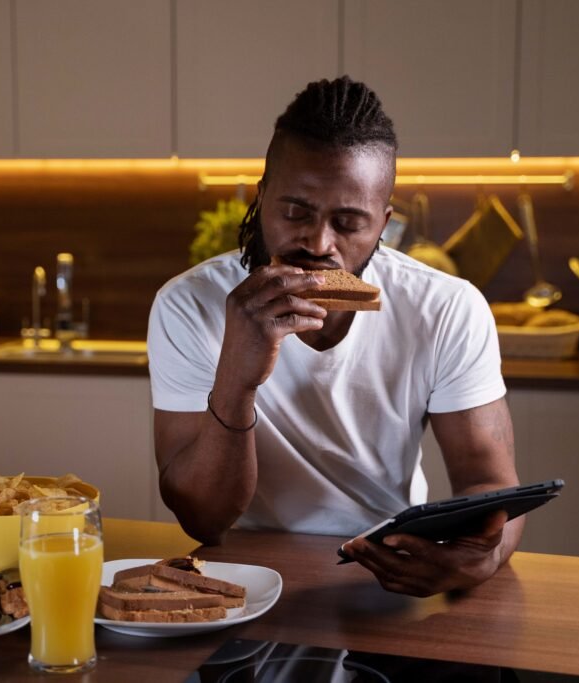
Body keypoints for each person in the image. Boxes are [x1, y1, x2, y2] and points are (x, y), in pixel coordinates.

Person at [147, 76, 522, 597]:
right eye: (296, 212)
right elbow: (203, 522)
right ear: (262, 197)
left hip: (389, 570)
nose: (318, 242)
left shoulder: (446, 308)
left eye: (348, 223)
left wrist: (483, 557)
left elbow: (490, 482)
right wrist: (238, 375)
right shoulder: (189, 305)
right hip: (245, 580)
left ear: (384, 225)